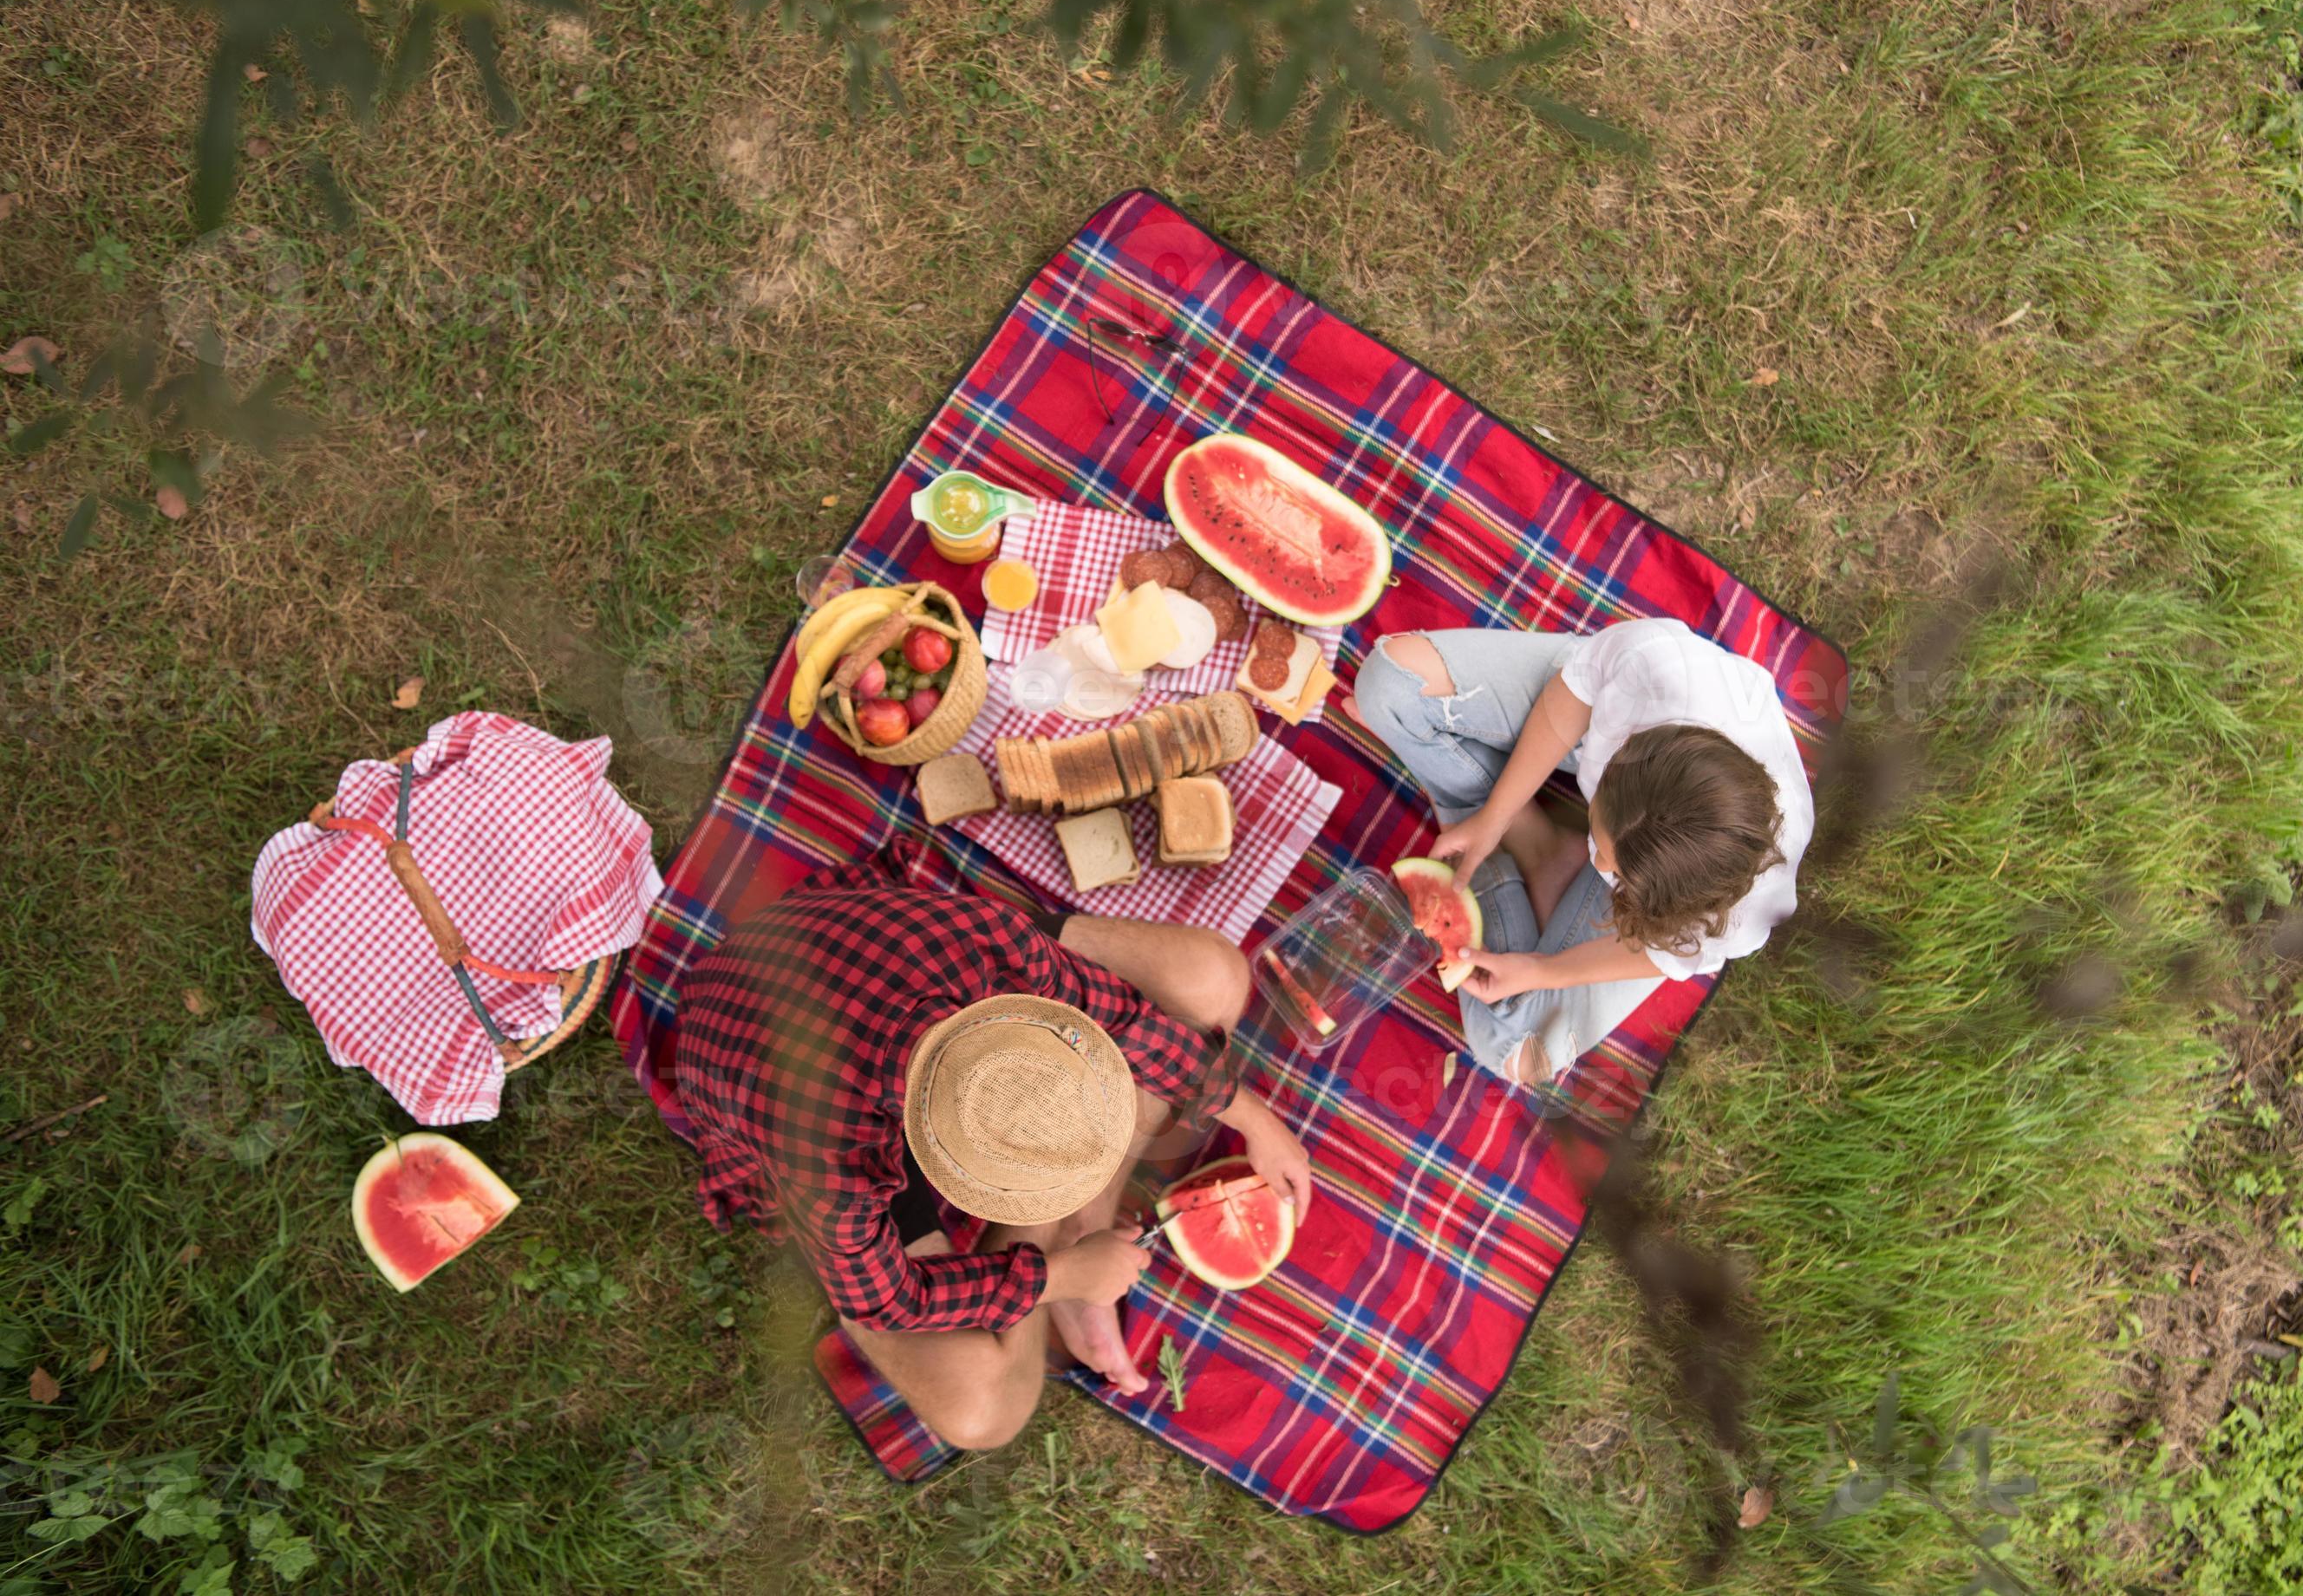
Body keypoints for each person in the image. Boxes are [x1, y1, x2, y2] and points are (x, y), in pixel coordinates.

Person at [672, 855, 1313, 1450]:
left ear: (1033, 1024)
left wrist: (1253, 1117)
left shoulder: (988, 949)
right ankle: (1055, 1239)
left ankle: (1080, 1218)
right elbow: (889, 1299)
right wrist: (1061, 1276)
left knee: (1215, 976)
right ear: (946, 1175)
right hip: (773, 1084)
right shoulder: (834, 1169)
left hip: (863, 958)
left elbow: (1123, 1021)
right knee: (982, 1413)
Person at [1346, 618, 1812, 1087]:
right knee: (1389, 687)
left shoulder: (1744, 913)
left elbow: (1665, 956)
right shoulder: (1656, 666)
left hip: (1660, 862)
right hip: (1599, 717)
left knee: (1514, 1053)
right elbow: (1568, 701)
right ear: (1626, 749)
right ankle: (1509, 829)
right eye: (1597, 838)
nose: (1600, 864)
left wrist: (1540, 971)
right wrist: (1494, 819)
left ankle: (1499, 820)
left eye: (1615, 872)